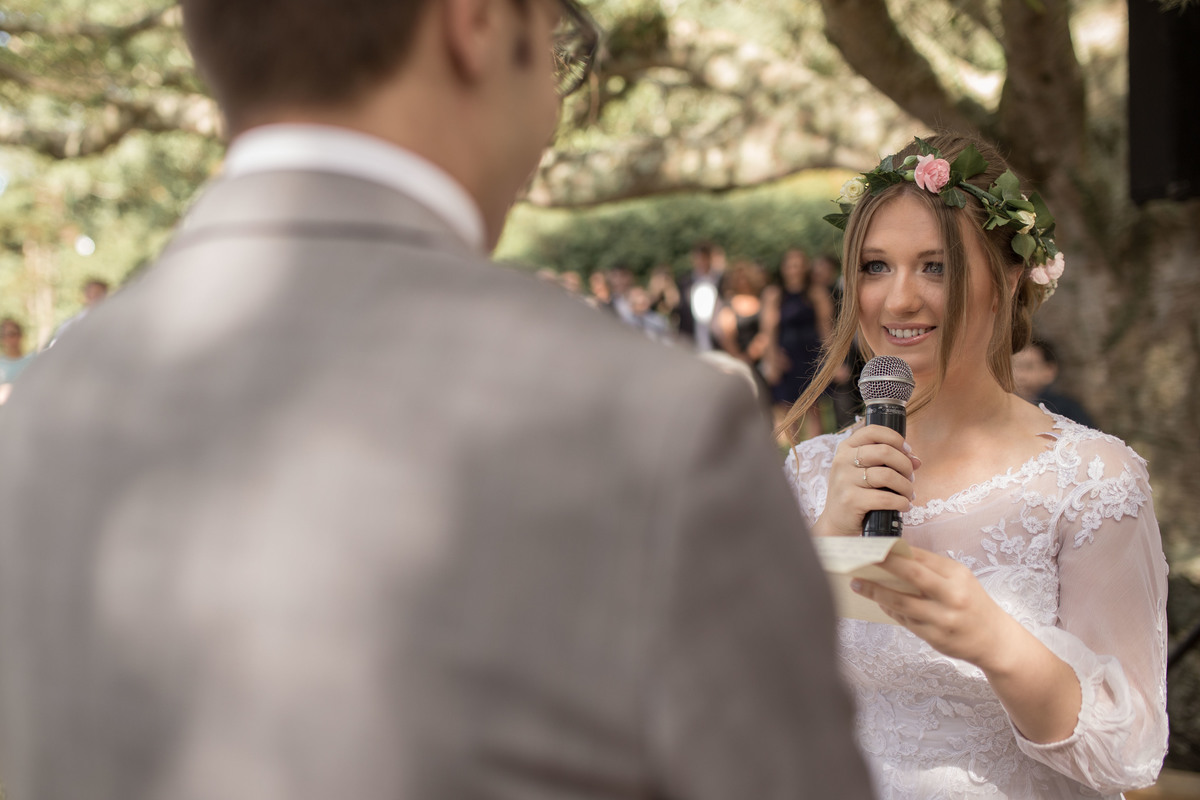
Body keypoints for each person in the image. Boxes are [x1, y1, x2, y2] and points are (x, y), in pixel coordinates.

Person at [0, 1, 872, 799]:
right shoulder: (650, 428)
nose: (554, 106)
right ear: (478, 22)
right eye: (558, 42)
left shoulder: (39, 415)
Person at [780, 132, 1168, 798]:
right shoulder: (814, 471)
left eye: (935, 266)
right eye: (876, 266)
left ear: (1009, 279)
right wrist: (830, 532)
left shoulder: (1093, 481)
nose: (898, 300)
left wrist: (996, 642)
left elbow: (1128, 755)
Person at [765, 249, 834, 440]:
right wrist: (772, 359)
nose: (794, 270)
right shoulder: (775, 294)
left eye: (798, 265)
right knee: (788, 408)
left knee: (814, 407)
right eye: (790, 265)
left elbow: (825, 328)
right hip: (786, 356)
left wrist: (832, 359)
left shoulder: (815, 292)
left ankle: (815, 450)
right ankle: (794, 453)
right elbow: (768, 330)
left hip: (810, 355)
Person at [1012, 338, 1097, 428]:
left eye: (1028, 367)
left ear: (1049, 371)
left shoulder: (1066, 409)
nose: (1019, 375)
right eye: (1013, 367)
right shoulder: (1007, 406)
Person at [46, 277, 109, 348]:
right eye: (90, 292)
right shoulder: (73, 321)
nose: (93, 296)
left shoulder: (110, 319)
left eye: (97, 293)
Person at [0, 317, 35, 405]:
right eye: (4, 335)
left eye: (12, 334)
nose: (8, 338)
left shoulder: (33, 360)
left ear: (20, 335)